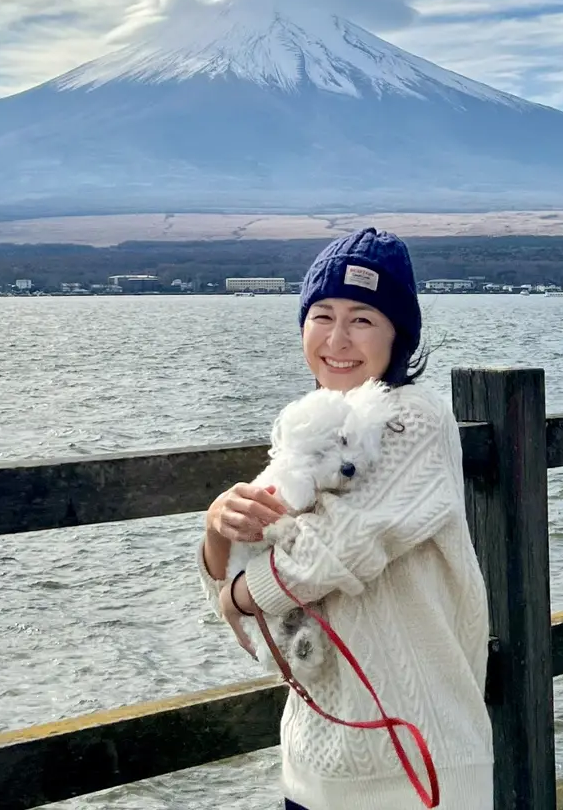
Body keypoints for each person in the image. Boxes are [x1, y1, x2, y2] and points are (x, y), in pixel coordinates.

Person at [199, 228, 493, 810]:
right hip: (313, 764)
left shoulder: (415, 418)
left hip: (419, 768)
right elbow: (244, 576)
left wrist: (237, 595)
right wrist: (215, 526)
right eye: (322, 316)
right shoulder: (306, 435)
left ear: (397, 334)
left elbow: (335, 549)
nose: (337, 339)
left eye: (362, 319)